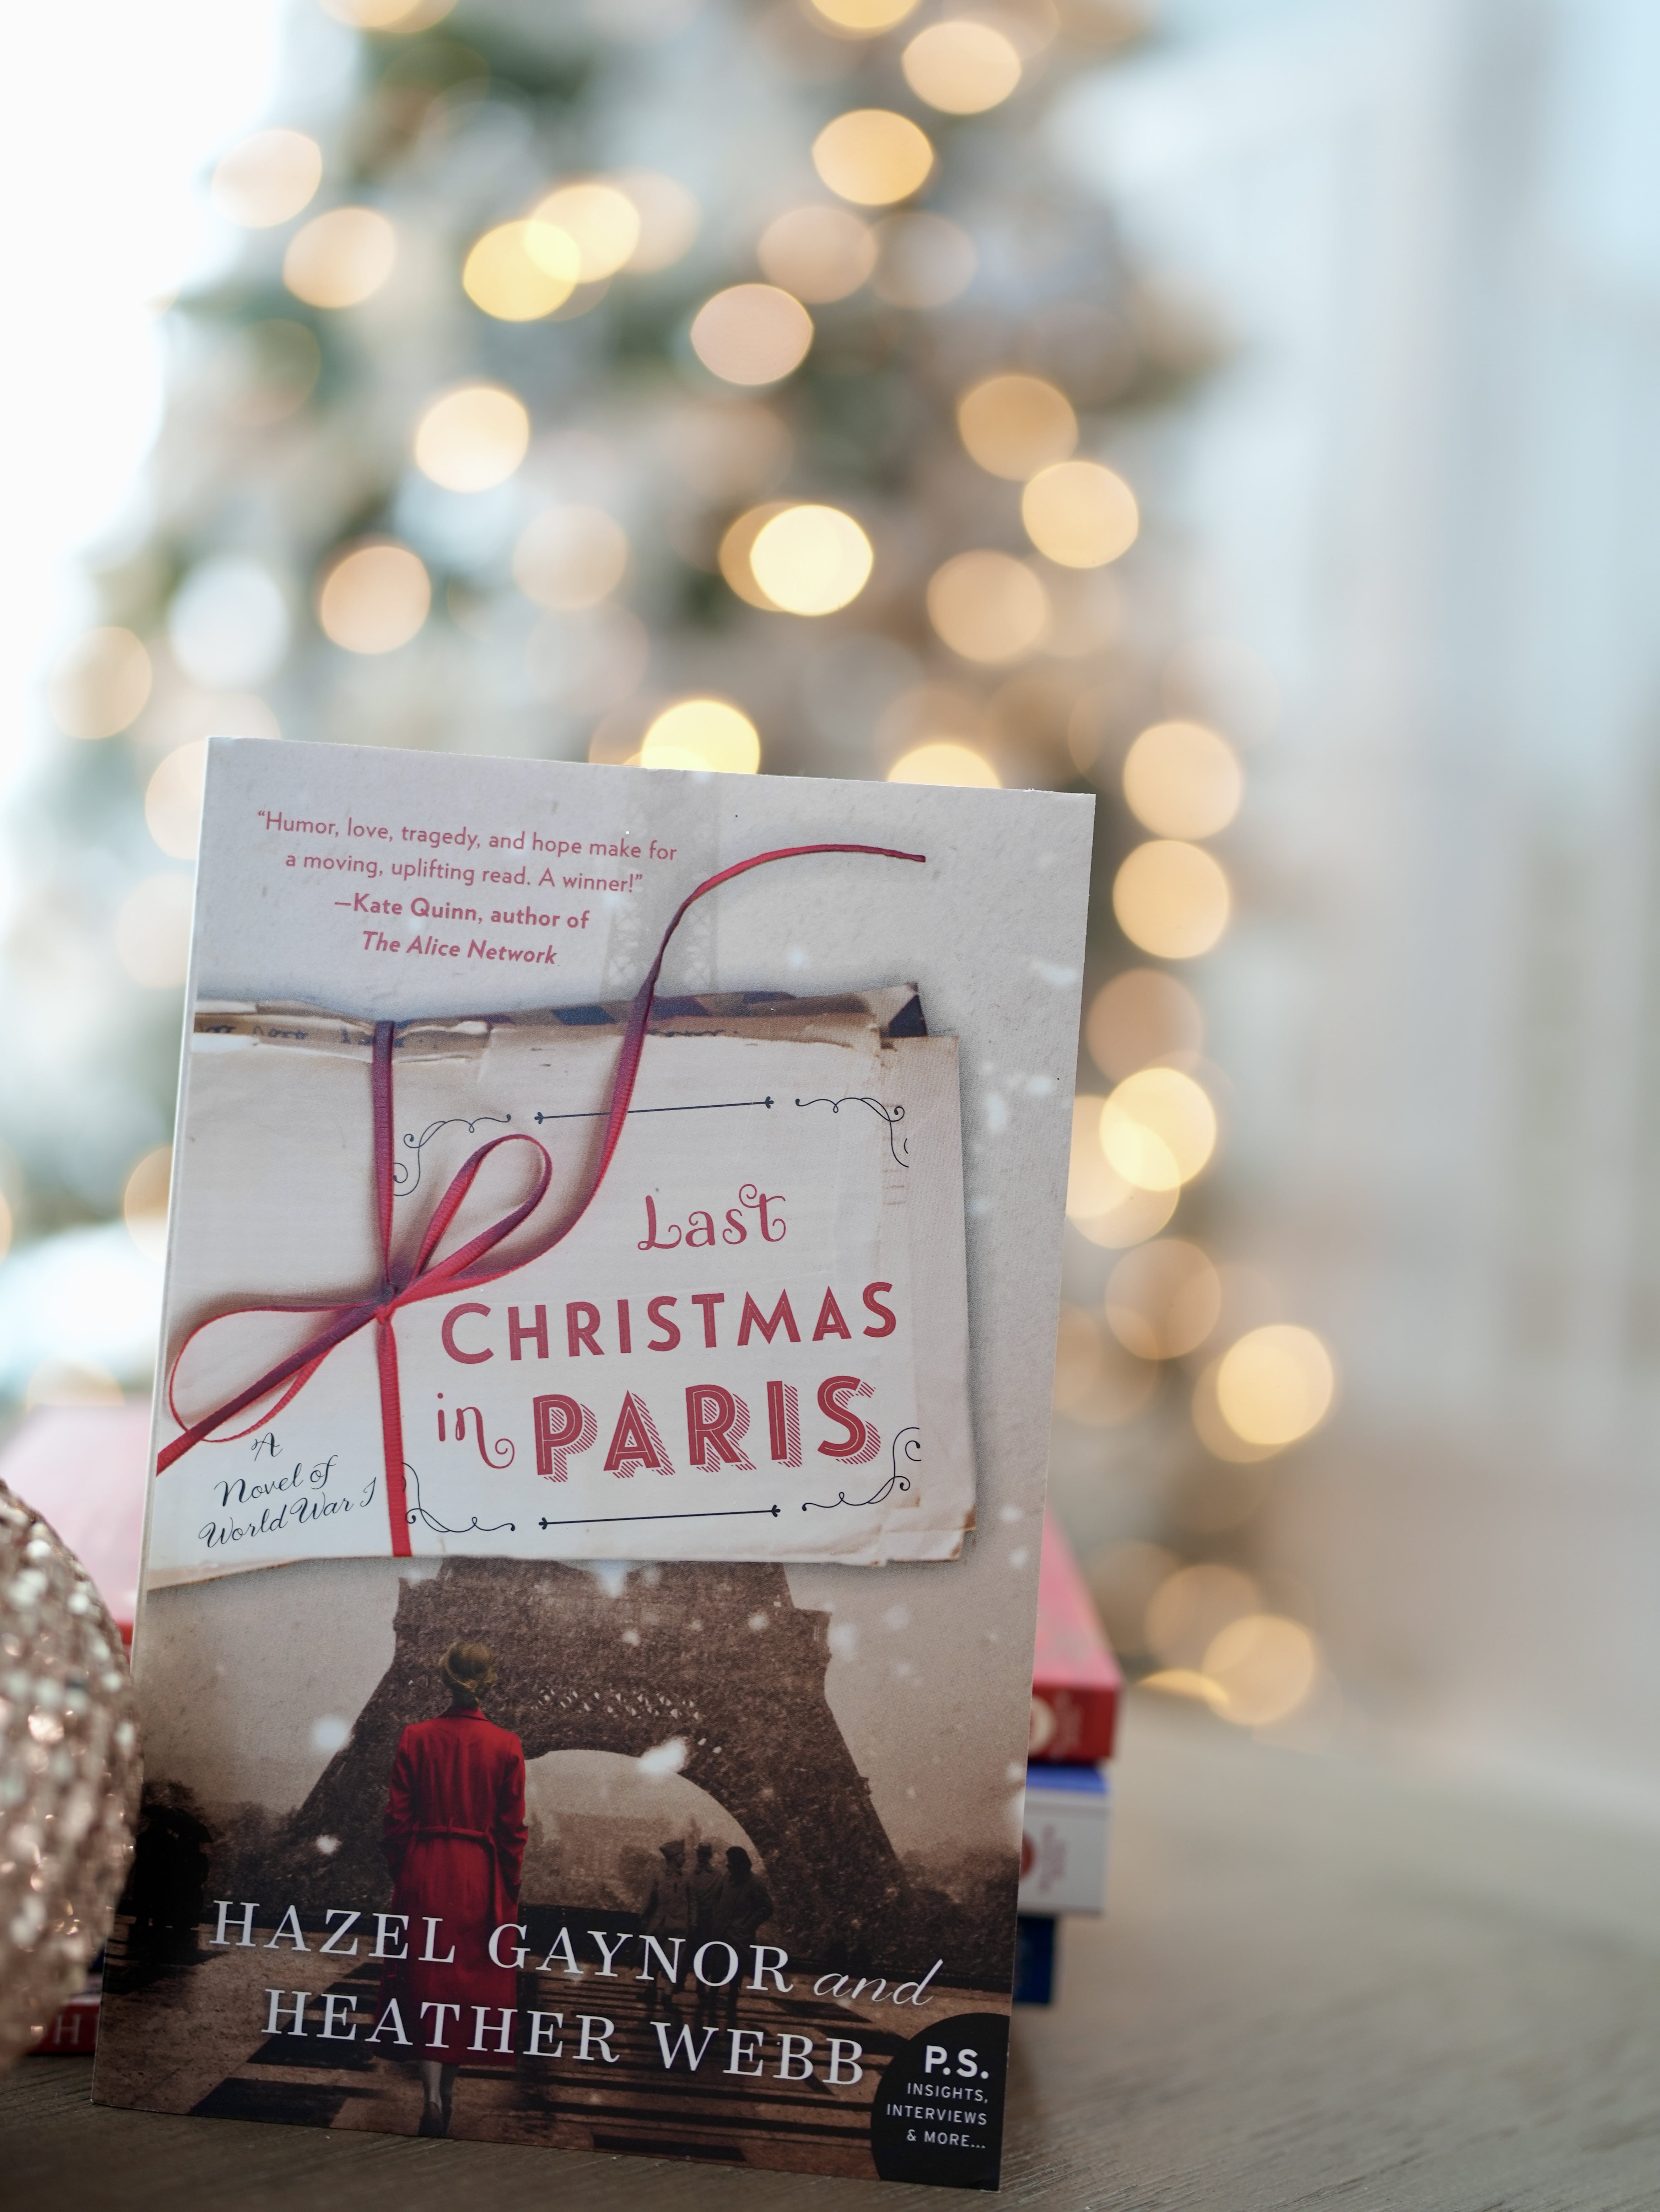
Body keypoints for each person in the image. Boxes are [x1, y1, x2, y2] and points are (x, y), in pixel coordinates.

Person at [382, 1640, 526, 2138]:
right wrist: (508, 1883)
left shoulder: (415, 1737)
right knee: (464, 1988)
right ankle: (449, 2093)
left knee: (426, 1982)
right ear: (489, 1681)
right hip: (478, 1872)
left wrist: (407, 1869)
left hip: (426, 1866)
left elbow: (396, 1821)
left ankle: (428, 2095)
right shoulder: (508, 1746)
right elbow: (512, 1830)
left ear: (444, 1677)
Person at [705, 1846, 772, 2029]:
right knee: (718, 1967)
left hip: (739, 1935)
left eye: (732, 1863)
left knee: (736, 1970)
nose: (729, 1866)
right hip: (722, 1933)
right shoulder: (728, 1878)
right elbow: (716, 1899)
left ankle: (731, 2003)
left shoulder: (755, 1884)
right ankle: (713, 1998)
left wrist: (748, 1924)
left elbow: (767, 1908)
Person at [640, 1838, 691, 2022]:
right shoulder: (657, 1875)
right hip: (659, 1925)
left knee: (672, 1960)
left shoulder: (686, 1878)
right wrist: (644, 1917)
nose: (685, 1858)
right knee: (652, 1958)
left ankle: (667, 1995)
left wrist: (692, 1923)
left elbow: (692, 1903)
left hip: (678, 1927)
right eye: (682, 1855)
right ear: (675, 1857)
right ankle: (651, 1988)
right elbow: (648, 1898)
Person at [689, 1840, 722, 1943]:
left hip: (709, 1917)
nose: (702, 1858)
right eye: (701, 1855)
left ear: (709, 1856)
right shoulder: (690, 1874)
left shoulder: (717, 1875)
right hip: (693, 1916)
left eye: (705, 1855)